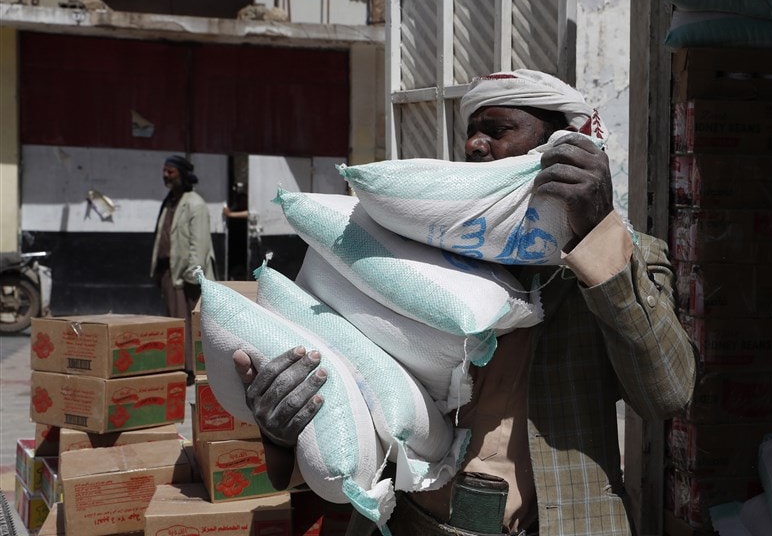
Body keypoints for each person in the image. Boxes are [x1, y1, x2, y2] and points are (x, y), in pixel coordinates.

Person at [232, 70, 697, 535]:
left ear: (559, 146)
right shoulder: (411, 260)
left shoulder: (624, 257)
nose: (475, 145)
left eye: (497, 131)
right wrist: (279, 433)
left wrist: (596, 237)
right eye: (471, 133)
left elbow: (667, 393)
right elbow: (354, 402)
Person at [150, 155, 216, 323]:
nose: (165, 175)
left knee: (186, 324)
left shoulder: (195, 204)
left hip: (186, 278)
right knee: (174, 324)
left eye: (170, 171)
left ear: (182, 175)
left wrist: (191, 276)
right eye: (164, 171)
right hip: (170, 274)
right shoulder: (170, 202)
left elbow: (199, 244)